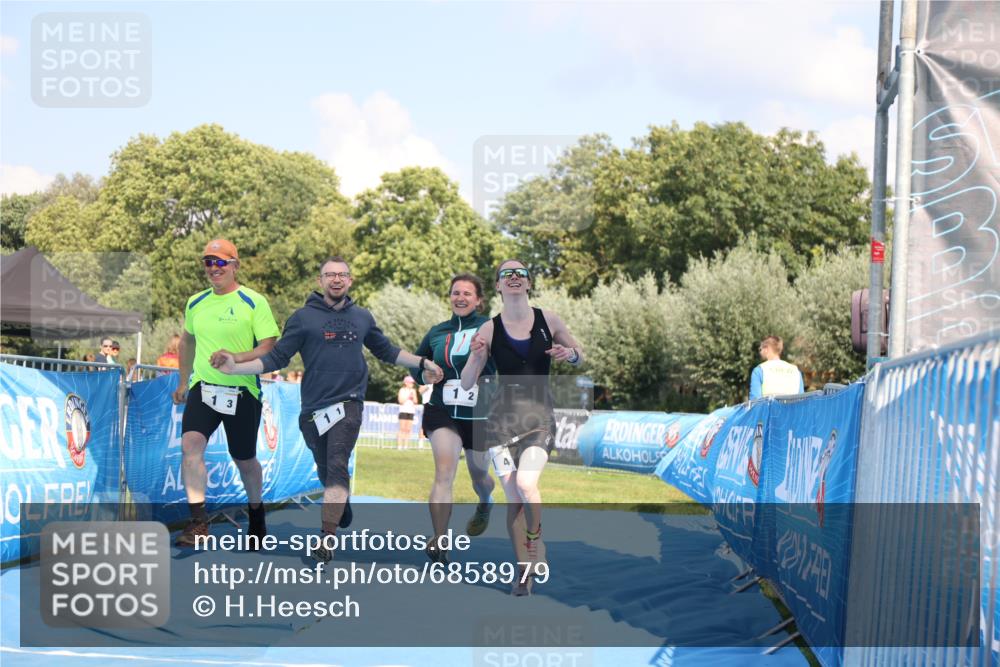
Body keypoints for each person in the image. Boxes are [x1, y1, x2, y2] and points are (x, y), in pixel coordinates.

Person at [214, 256, 444, 563]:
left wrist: (421, 362)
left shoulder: (362, 316)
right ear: (320, 281)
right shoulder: (302, 317)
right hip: (312, 409)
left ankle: (326, 538)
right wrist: (234, 368)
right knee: (326, 470)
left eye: (342, 275)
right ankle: (341, 503)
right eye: (329, 274)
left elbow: (386, 351)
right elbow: (277, 358)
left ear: (350, 280)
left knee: (337, 462)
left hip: (349, 402)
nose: (336, 279)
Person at [461, 259, 583, 595]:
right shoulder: (488, 329)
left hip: (539, 417)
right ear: (498, 286)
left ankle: (535, 540)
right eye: (506, 274)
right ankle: (523, 574)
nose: (514, 278)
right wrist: (474, 357)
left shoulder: (549, 319)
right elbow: (468, 382)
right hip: (501, 422)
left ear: (529, 283)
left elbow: (579, 354)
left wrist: (568, 354)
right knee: (513, 498)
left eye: (521, 274)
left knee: (527, 483)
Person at [171, 239, 281, 547]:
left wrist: (236, 358)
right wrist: (183, 382)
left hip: (242, 390)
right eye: (208, 262)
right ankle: (197, 522)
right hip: (203, 388)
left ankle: (256, 512)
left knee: (244, 459)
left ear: (235, 265)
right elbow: (187, 343)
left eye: (221, 262)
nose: (214, 268)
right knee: (190, 445)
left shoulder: (253, 301)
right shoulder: (195, 302)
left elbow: (269, 346)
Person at [414, 273, 497, 564]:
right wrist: (424, 373)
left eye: (467, 294)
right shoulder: (437, 331)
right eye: (455, 293)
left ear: (479, 300)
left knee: (479, 476)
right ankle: (439, 541)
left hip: (479, 414)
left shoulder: (491, 328)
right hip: (442, 409)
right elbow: (417, 363)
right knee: (444, 471)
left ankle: (486, 501)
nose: (460, 298)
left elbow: (508, 362)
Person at [749, 335, 804, 400]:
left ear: (767, 349)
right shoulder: (795, 371)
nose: (760, 352)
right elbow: (801, 400)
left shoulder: (759, 370)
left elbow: (755, 402)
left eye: (760, 349)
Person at [397, 376, 418, 450]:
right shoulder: (402, 390)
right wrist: (408, 396)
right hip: (403, 410)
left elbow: (416, 401)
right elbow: (401, 401)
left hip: (411, 411)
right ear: (406, 383)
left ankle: (406, 446)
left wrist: (413, 396)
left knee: (408, 429)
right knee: (402, 428)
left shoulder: (413, 391)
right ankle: (399, 446)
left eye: (412, 383)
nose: (412, 384)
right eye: (410, 383)